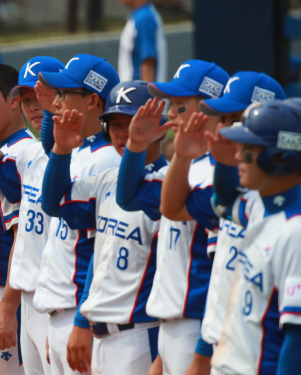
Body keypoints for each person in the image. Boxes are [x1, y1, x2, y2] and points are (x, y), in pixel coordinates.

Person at [42, 81, 166, 375]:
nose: (124, 133)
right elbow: (53, 204)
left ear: (158, 125)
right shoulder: (108, 180)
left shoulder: (169, 183)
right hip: (103, 337)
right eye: (115, 123)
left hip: (142, 333)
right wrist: (60, 150)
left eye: (133, 122)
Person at [165, 71, 284, 374]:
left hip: (259, 353)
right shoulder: (244, 201)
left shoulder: (287, 216)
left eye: (236, 119)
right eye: (223, 118)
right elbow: (186, 205)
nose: (227, 129)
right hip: (221, 344)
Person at [115, 59, 229, 374]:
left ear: (207, 107)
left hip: (196, 326)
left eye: (180, 104)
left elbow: (222, 277)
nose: (170, 113)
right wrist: (137, 145)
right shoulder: (180, 169)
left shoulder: (224, 176)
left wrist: (201, 353)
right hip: (170, 329)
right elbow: (128, 197)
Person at [0, 56, 63, 375]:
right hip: (29, 296)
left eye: (41, 96)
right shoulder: (29, 155)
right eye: (25, 99)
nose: (33, 106)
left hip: (61, 300)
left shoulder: (81, 160)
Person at [36, 54, 121, 375]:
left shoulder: (107, 160)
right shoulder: (80, 150)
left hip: (79, 311)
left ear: (92, 101)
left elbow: (102, 252)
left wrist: (80, 322)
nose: (55, 101)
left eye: (64, 94)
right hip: (61, 311)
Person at [210, 99, 301, 374]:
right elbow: (224, 202)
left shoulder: (295, 232)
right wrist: (224, 164)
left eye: (249, 149)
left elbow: (296, 343)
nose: (238, 156)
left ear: (279, 156)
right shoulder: (261, 203)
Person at [118, 0, 167, 82]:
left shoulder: (144, 18)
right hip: (134, 90)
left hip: (136, 92)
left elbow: (148, 62)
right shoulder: (141, 15)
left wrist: (146, 94)